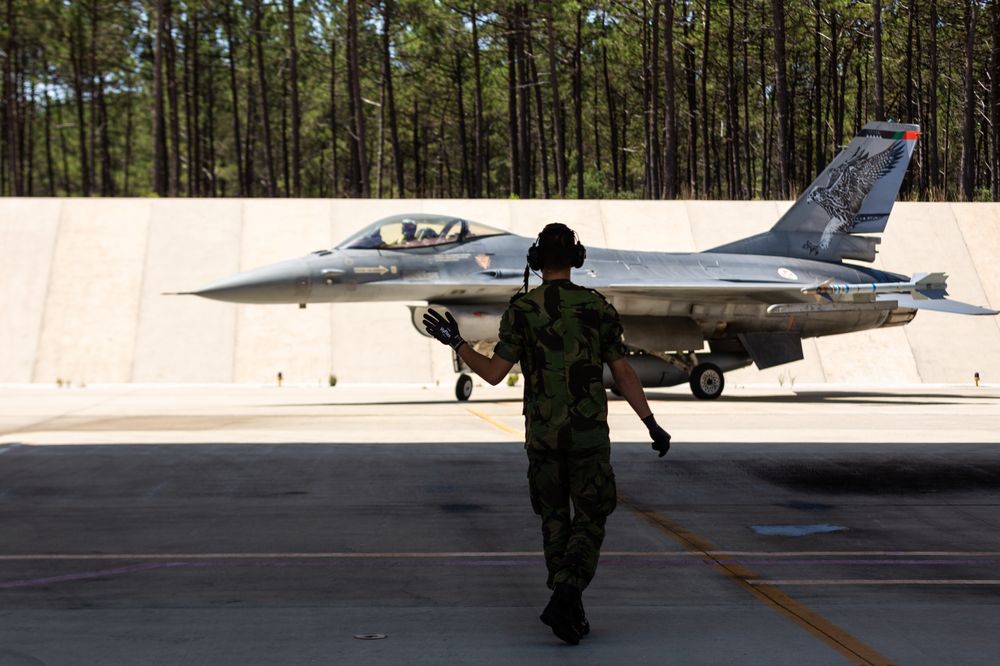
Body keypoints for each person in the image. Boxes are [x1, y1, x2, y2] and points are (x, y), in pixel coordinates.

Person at [423, 222, 671, 645]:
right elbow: (623, 371)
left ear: (536, 262)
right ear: (576, 259)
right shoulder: (597, 309)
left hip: (543, 438)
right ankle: (569, 591)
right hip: (588, 437)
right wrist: (650, 422)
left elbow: (495, 374)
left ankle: (567, 606)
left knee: (555, 520)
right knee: (592, 516)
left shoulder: (522, 311)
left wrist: (457, 343)